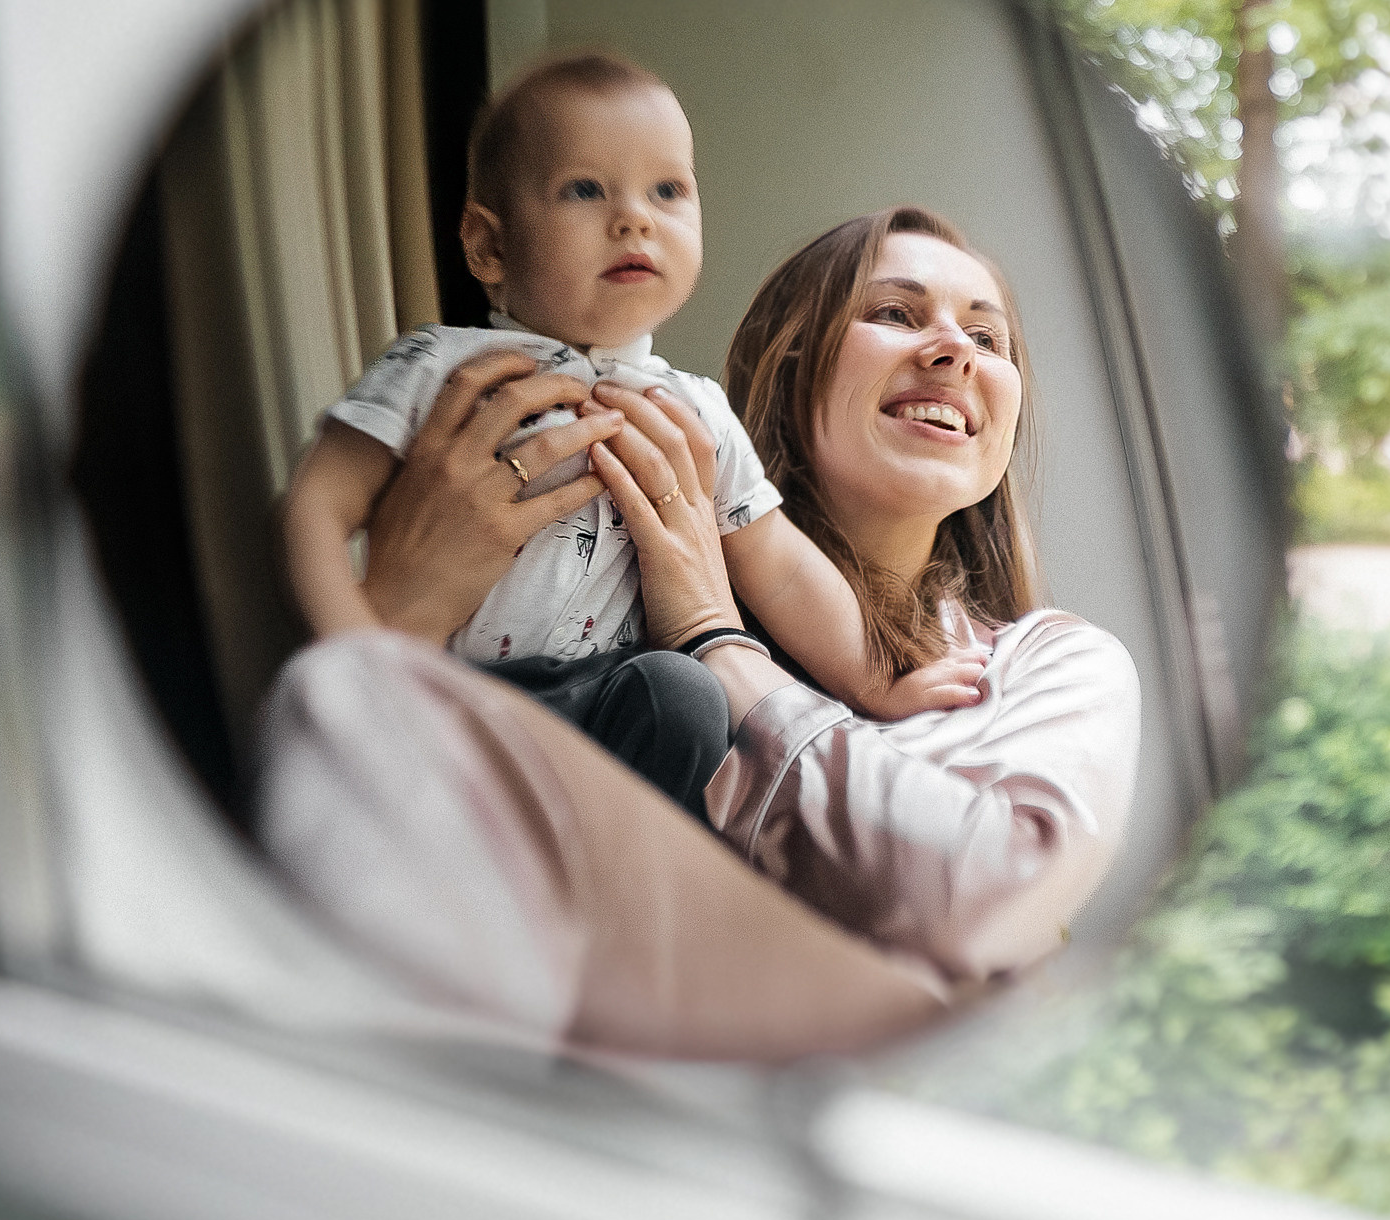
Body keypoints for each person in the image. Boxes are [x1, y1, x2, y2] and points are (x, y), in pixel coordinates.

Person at [259, 206, 1142, 1059]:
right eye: (895, 314)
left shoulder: (1051, 667)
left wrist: (716, 640)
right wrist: (407, 612)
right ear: (791, 366)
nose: (953, 349)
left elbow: (990, 902)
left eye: (988, 339)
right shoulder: (591, 609)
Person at [280, 54, 979, 823]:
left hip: (611, 703)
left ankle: (629, 880)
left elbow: (777, 569)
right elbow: (315, 507)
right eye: (585, 189)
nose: (634, 218)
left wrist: (875, 679)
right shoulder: (440, 366)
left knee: (684, 694)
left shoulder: (698, 412)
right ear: (488, 246)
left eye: (668, 190)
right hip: (454, 697)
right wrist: (353, 659)